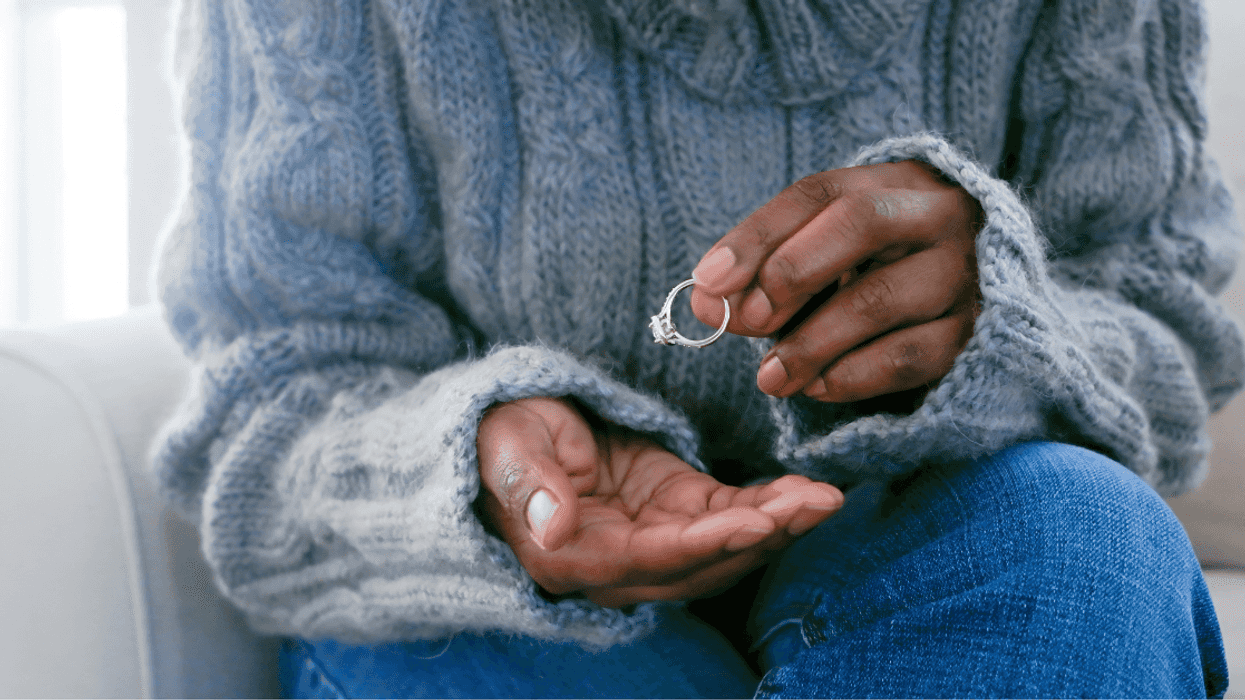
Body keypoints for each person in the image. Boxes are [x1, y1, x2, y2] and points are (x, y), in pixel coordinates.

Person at [151, 0, 1243, 696]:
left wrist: (1008, 326)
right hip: (489, 604)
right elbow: (270, 405)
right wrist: (469, 474)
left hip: (932, 536)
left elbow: (1170, 324)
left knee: (1085, 540)